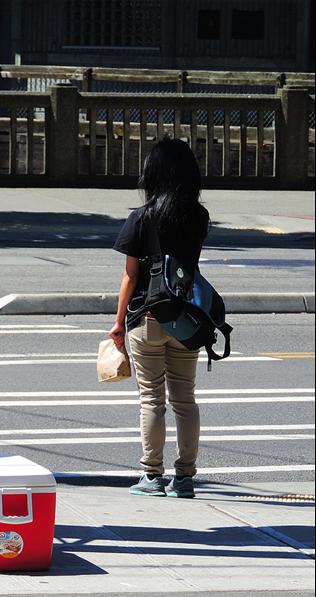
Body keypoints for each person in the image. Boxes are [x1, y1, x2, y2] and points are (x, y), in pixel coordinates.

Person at [108, 137, 210, 499]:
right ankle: (185, 478)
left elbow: (130, 276)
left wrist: (118, 323)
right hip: (187, 317)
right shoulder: (198, 217)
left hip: (147, 317)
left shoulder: (141, 217)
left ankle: (152, 476)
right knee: (185, 399)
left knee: (152, 399)